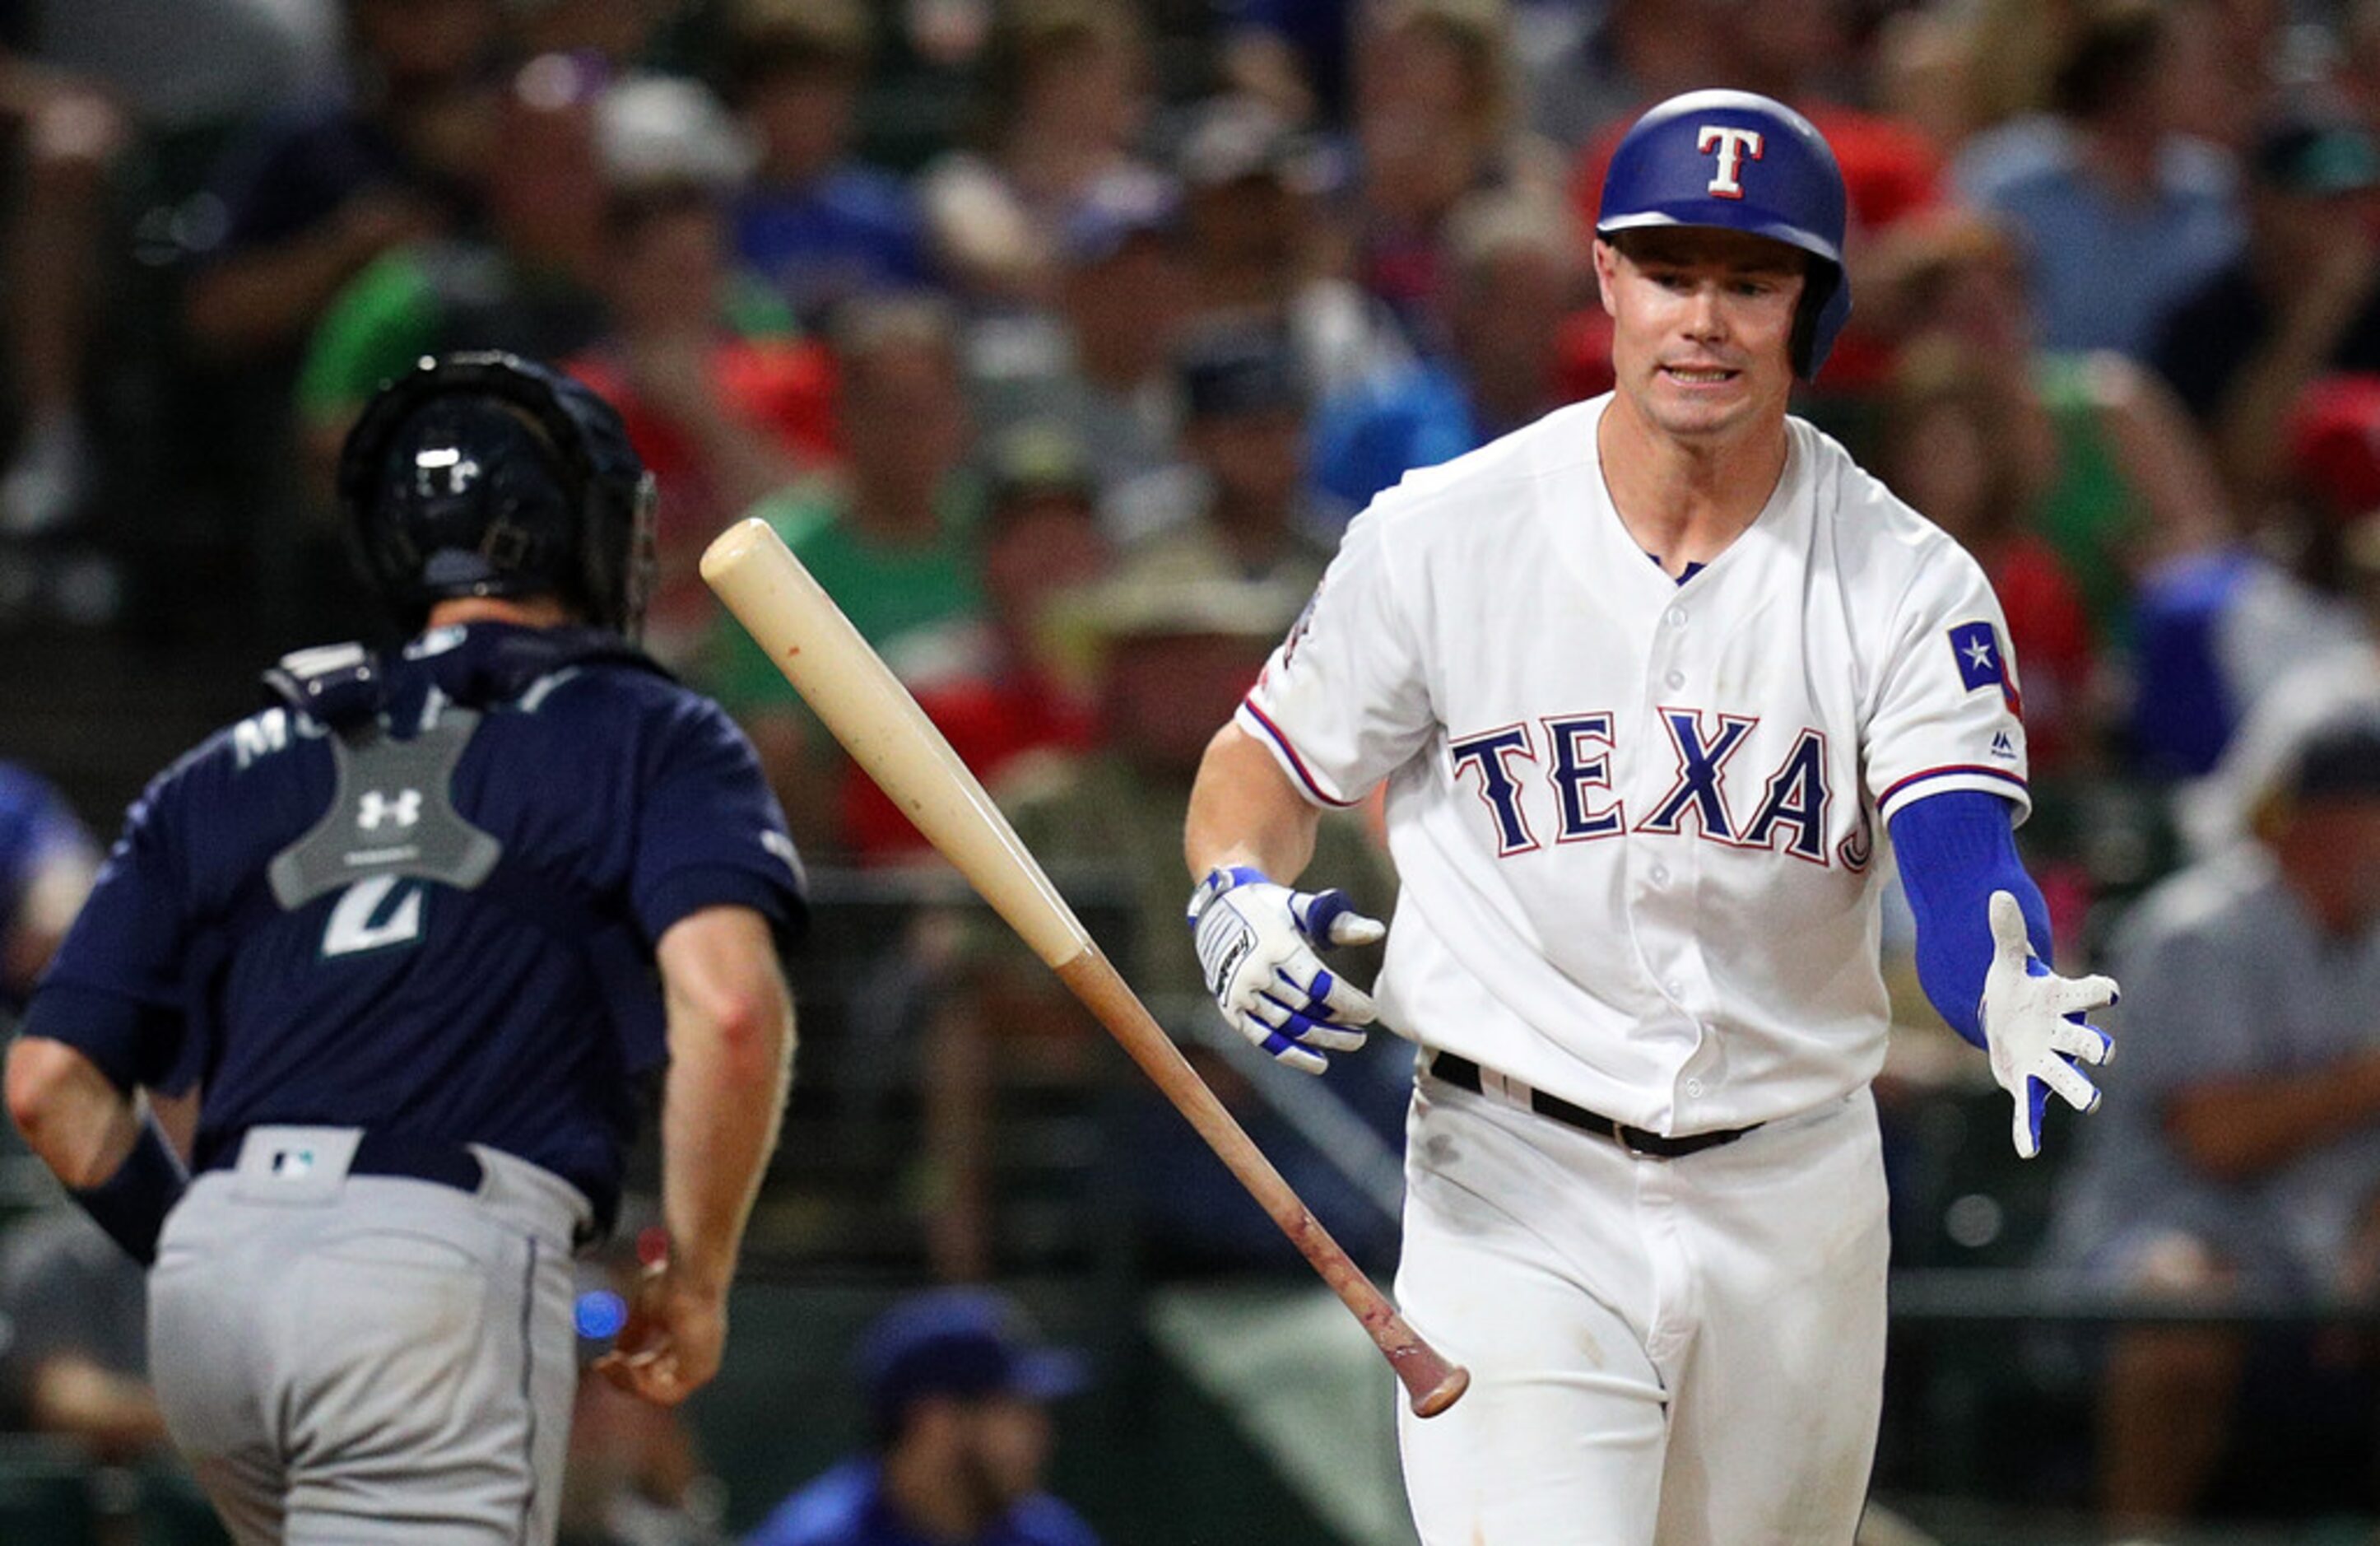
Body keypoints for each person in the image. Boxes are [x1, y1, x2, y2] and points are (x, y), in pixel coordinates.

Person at [1180, 90, 2120, 1543]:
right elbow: (1261, 768)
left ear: (1809, 309)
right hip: (1513, 1177)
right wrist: (1232, 887)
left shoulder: (1904, 579)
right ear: (1607, 278)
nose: (1704, 318)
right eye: (1670, 270)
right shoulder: (1440, 530)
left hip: (1792, 1192)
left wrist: (1993, 980)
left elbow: (1956, 854)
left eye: (1749, 281)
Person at [3, 351, 806, 1544]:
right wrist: (694, 1277)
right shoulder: (645, 723)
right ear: (586, 531)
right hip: (433, 1266)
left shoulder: (226, 761)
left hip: (214, 1285)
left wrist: (214, 1251)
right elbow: (732, 1012)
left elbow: (49, 1087)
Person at [2039, 704, 2380, 1530]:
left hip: (2330, 1249)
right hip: (2166, 1239)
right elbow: (2220, 1140)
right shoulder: (2199, 931)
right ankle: (2139, 1536)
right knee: (2186, 1308)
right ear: (2320, 821)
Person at [743, 1286, 1098, 1546]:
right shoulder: (817, 1538)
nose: (1040, 1433)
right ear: (934, 1422)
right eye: (1012, 1411)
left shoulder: (1046, 1533)